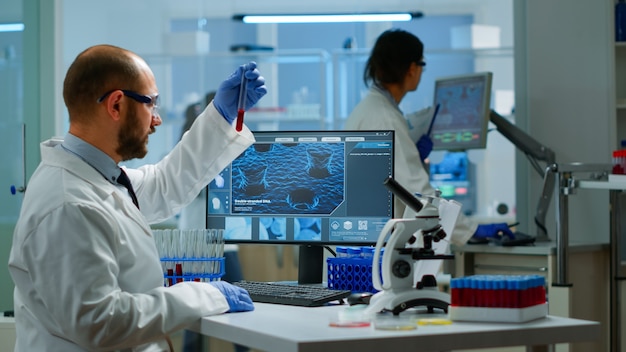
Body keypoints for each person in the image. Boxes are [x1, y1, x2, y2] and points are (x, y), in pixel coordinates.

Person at [8, 44, 266, 351]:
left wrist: (220, 116)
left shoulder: (97, 177)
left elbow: (164, 183)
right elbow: (101, 323)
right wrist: (205, 295)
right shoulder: (70, 205)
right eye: (151, 104)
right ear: (116, 105)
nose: (156, 120)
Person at [344, 29, 514, 246]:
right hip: (373, 244)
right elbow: (418, 192)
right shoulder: (385, 118)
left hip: (367, 238)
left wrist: (410, 152)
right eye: (422, 65)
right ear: (412, 69)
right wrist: (471, 230)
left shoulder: (371, 110)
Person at [179, 92, 249, 352]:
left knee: (242, 311)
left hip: (223, 242)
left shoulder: (224, 143)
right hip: (197, 246)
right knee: (194, 318)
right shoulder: (191, 145)